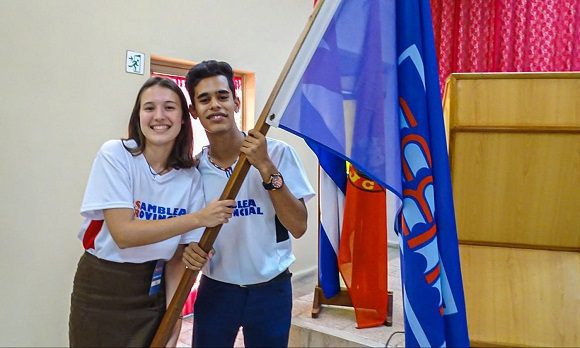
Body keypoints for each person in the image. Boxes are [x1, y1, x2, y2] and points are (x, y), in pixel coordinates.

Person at [68, 77, 235, 348]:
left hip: (153, 290)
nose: (159, 116)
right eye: (149, 108)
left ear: (183, 119)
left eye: (169, 107)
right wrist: (198, 218)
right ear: (139, 116)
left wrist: (174, 316)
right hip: (101, 288)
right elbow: (123, 234)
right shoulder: (116, 155)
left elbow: (179, 256)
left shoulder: (190, 177)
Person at [182, 60, 315, 347]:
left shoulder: (278, 154)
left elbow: (299, 225)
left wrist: (266, 166)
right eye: (204, 99)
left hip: (271, 291)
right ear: (194, 111)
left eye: (222, 96)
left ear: (236, 102)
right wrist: (189, 250)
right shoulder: (193, 171)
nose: (215, 105)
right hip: (217, 291)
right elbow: (189, 233)